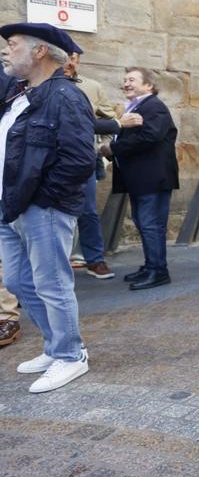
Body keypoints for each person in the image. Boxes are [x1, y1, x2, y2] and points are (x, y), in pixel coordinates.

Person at [0, 22, 98, 392]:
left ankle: (71, 355)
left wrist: (41, 201)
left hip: (42, 208)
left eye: (13, 44)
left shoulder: (66, 96)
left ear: (40, 51)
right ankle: (55, 347)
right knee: (18, 281)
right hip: (11, 207)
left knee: (52, 282)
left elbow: (78, 161)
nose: (6, 51)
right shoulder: (19, 95)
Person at [101, 68, 179, 290]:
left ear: (149, 86)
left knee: (150, 224)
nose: (126, 83)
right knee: (144, 223)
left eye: (132, 80)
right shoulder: (138, 106)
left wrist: (112, 147)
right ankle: (150, 265)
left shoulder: (153, 106)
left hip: (152, 178)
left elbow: (150, 136)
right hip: (142, 179)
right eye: (124, 80)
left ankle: (158, 271)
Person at [64, 44, 116, 279]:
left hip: (82, 157)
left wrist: (101, 148)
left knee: (87, 211)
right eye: (66, 57)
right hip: (47, 158)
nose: (70, 62)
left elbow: (111, 117)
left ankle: (94, 259)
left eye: (74, 57)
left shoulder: (92, 87)